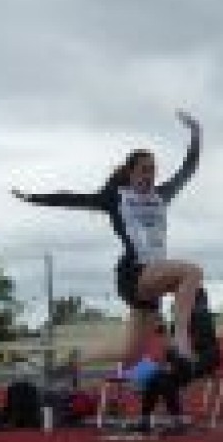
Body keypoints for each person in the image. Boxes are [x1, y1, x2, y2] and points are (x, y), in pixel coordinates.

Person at [12, 110, 203, 365]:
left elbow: (188, 169)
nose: (150, 176)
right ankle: (180, 338)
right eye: (144, 171)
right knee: (192, 272)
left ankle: (74, 360)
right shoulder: (116, 198)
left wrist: (195, 135)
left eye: (153, 171)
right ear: (130, 172)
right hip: (134, 274)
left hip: (151, 283)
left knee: (131, 354)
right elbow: (72, 198)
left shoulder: (162, 195)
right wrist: (32, 198)